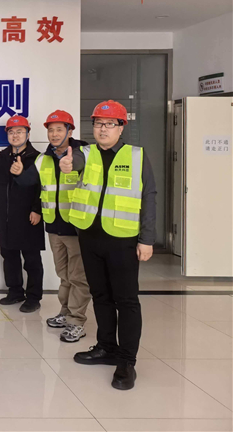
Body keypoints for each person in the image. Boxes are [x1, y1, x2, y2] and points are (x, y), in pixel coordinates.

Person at [61, 100, 157, 391]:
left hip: (123, 239)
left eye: (110, 124)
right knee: (100, 295)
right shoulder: (85, 153)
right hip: (90, 237)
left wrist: (147, 239)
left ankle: (126, 362)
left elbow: (149, 196)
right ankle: (106, 347)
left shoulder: (137, 156)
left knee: (126, 301)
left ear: (121, 127)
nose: (103, 129)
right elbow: (74, 163)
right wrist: (67, 164)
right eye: (98, 124)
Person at [14, 110, 90, 343]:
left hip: (76, 227)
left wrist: (70, 163)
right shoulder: (44, 158)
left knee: (78, 277)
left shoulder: (84, 153)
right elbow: (28, 182)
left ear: (70, 130)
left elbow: (83, 169)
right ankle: (65, 313)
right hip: (54, 227)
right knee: (63, 275)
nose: (54, 134)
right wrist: (18, 174)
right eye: (50, 130)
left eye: (59, 129)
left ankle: (77, 321)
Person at [0, 115, 45, 313]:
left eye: (19, 131)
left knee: (31, 259)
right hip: (5, 217)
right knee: (9, 256)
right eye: (11, 132)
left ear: (28, 134)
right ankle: (15, 291)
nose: (15, 135)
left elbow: (43, 187)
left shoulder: (37, 158)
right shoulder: (2, 157)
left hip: (28, 216)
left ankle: (33, 297)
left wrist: (37, 209)